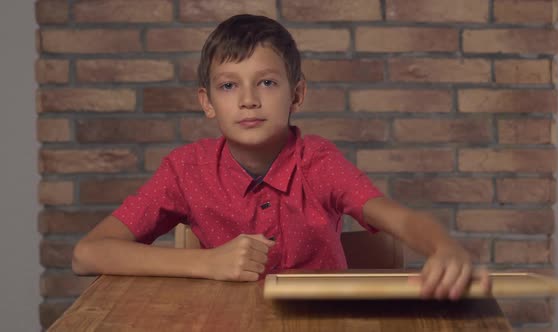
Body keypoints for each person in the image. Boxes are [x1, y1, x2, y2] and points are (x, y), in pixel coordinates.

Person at [72, 14, 490, 301]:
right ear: (208, 101)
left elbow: (396, 218)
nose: (249, 100)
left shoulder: (318, 161)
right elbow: (87, 254)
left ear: (297, 94)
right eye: (229, 86)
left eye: (267, 82)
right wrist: (207, 263)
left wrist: (443, 246)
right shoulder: (185, 170)